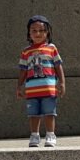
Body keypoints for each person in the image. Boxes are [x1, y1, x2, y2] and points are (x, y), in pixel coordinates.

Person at [16, 15, 65, 148]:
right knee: (33, 114)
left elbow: (58, 66)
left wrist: (62, 82)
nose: (38, 33)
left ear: (47, 32)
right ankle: (34, 135)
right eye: (34, 30)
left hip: (48, 89)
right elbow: (23, 70)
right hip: (32, 90)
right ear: (29, 33)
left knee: (50, 113)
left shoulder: (51, 48)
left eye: (41, 30)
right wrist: (19, 86)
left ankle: (50, 134)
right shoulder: (26, 52)